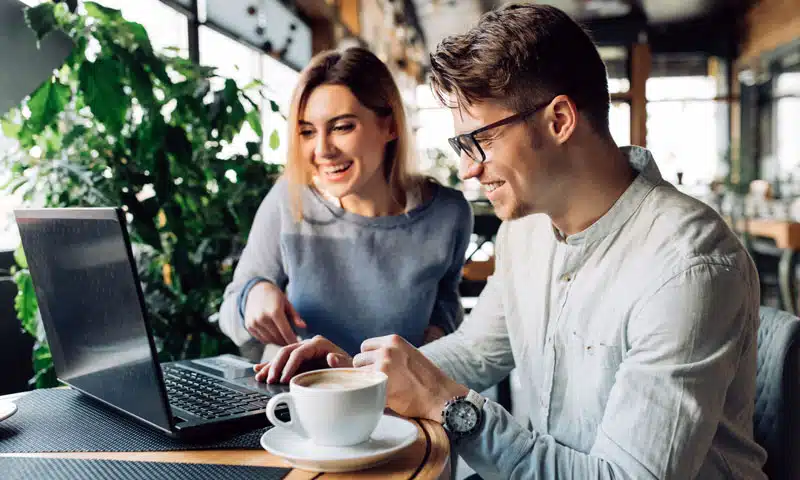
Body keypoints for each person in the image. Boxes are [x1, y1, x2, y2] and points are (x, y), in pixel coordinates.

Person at [255, 4, 768, 479]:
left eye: (480, 140)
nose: (467, 168)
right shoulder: (525, 229)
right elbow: (479, 351)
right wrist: (355, 376)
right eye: (461, 144)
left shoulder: (687, 266)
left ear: (560, 120)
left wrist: (450, 408)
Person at [219, 47, 473, 367]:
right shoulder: (289, 199)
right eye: (307, 132)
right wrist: (253, 295)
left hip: (398, 400)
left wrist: (435, 337)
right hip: (306, 398)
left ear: (390, 127)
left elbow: (446, 298)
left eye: (342, 127)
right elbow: (231, 309)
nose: (322, 150)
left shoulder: (448, 214)